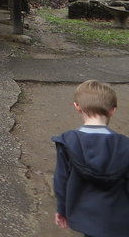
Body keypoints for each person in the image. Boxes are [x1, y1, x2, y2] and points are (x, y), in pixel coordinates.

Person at [52, 80, 129, 237]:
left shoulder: (68, 142)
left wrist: (61, 209)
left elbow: (61, 180)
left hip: (86, 218)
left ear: (77, 106)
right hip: (119, 219)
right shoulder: (125, 145)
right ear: (113, 110)